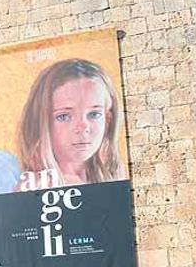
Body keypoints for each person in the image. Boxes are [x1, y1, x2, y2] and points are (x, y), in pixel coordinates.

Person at [14, 58, 126, 189]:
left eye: (94, 114)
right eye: (64, 116)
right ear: (41, 124)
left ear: (108, 120)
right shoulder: (33, 186)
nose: (82, 128)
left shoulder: (114, 175)